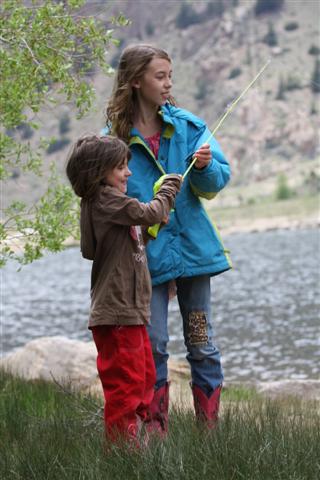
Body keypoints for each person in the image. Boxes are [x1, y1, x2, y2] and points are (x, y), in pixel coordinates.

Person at [103, 44, 232, 432]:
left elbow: (217, 182)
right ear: (136, 81)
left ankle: (208, 434)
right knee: (153, 346)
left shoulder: (190, 126)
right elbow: (105, 195)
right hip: (146, 261)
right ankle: (157, 436)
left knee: (202, 343)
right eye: (160, 76)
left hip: (194, 255)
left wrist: (208, 168)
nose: (168, 83)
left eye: (170, 76)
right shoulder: (113, 141)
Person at [66, 134, 182, 443]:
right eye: (120, 167)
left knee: (144, 379)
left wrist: (142, 231)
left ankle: (135, 447)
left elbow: (95, 248)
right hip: (117, 314)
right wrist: (168, 190)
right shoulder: (105, 198)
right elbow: (149, 211)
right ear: (99, 172)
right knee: (126, 389)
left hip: (129, 314)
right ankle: (121, 456)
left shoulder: (104, 205)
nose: (128, 173)